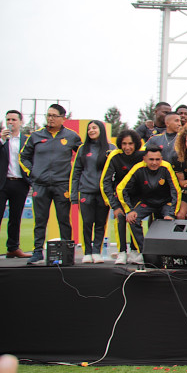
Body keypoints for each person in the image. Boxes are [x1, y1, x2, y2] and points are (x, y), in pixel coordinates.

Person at [19, 104, 82, 265]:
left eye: (54, 115)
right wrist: (33, 172)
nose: (50, 118)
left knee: (63, 220)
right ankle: (37, 251)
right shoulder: (36, 136)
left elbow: (83, 155)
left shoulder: (72, 136)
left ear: (63, 118)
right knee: (40, 220)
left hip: (62, 185)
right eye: (48, 115)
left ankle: (67, 253)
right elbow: (23, 157)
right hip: (40, 184)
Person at [116, 144, 181, 255]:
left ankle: (169, 253)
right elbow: (121, 189)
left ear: (161, 159)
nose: (154, 163)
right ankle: (143, 252)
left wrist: (171, 213)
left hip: (165, 202)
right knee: (133, 219)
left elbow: (176, 191)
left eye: (157, 159)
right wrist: (130, 210)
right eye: (151, 159)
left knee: (171, 221)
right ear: (144, 159)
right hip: (147, 203)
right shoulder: (138, 168)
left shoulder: (166, 167)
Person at [69, 120, 114, 263]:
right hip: (86, 192)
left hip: (103, 193)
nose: (91, 130)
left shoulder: (110, 148)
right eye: (89, 129)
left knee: (101, 223)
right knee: (87, 223)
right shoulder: (83, 148)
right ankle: (87, 252)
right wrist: (74, 194)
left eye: (94, 128)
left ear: (101, 129)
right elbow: (76, 172)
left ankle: (97, 252)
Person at [101, 130, 145, 265]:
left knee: (134, 219)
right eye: (124, 144)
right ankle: (121, 252)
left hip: (137, 196)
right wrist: (114, 205)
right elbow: (105, 182)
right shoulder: (115, 156)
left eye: (130, 144)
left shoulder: (143, 155)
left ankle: (135, 251)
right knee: (120, 217)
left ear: (136, 144)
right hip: (120, 197)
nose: (127, 147)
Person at [0, 110, 31, 258]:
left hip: (20, 183)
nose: (10, 122)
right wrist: (1, 140)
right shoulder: (2, 140)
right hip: (2, 183)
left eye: (13, 119)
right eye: (8, 119)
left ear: (20, 122)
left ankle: (13, 247)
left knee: (15, 217)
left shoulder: (26, 140)